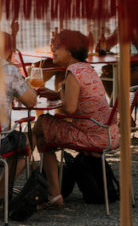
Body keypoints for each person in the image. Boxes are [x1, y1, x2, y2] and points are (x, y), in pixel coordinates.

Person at [32, 30, 117, 209]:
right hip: (105, 131)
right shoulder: (86, 68)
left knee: (41, 125)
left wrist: (58, 100)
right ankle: (53, 194)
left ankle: (23, 174)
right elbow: (80, 99)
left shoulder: (74, 71)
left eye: (57, 47)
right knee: (43, 136)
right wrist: (56, 94)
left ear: (69, 51)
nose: (53, 49)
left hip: (92, 135)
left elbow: (69, 108)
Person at [1, 31, 36, 196]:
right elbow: (31, 101)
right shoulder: (8, 70)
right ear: (9, 51)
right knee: (25, 141)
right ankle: (1, 193)